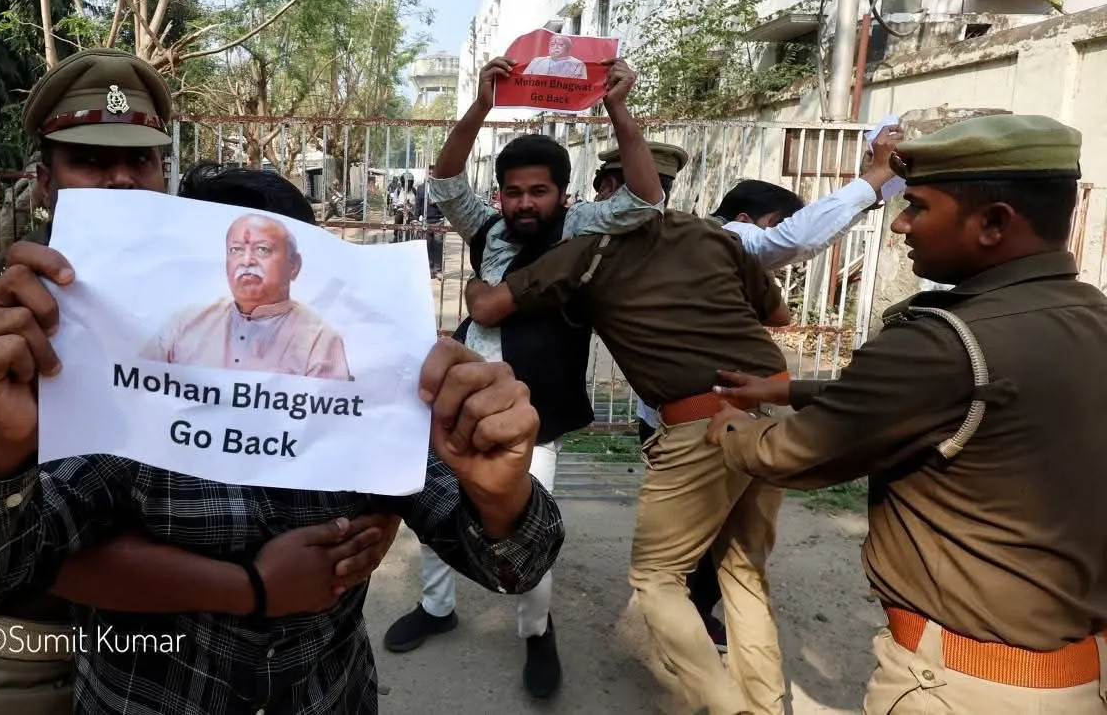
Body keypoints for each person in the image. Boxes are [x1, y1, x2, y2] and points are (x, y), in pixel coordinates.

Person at [0, 51, 402, 715]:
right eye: (92, 162)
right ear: (43, 182)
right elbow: (4, 550)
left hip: (148, 651)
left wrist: (370, 507)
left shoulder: (176, 311)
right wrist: (255, 585)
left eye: (140, 161)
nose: (122, 181)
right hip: (12, 648)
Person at [707, 114, 1107, 713]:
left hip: (964, 684)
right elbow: (925, 401)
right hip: (1077, 674)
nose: (899, 224)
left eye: (917, 207)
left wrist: (725, 425)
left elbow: (792, 454)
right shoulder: (1085, 313)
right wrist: (786, 390)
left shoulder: (943, 342)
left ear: (994, 222)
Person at [380, 55, 664, 700]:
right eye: (513, 191)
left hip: (529, 411)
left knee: (523, 519)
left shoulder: (583, 228)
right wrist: (480, 104)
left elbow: (646, 200)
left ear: (562, 193)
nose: (525, 203)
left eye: (538, 191)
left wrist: (618, 108)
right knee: (434, 504)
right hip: (457, 397)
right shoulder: (488, 230)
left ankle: (537, 631)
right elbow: (447, 179)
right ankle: (437, 605)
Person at [465, 177, 794, 715]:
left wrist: (477, 285)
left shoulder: (590, 251)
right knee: (742, 568)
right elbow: (777, 316)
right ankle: (763, 705)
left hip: (703, 427)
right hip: (774, 409)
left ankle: (724, 709)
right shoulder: (712, 236)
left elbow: (489, 308)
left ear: (609, 189)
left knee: (657, 578)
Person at [641, 133, 908, 649]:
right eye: (771, 225)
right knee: (710, 542)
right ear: (745, 221)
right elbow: (793, 244)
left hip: (692, 413)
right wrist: (873, 180)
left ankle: (690, 616)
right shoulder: (720, 241)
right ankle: (686, 627)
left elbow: (776, 306)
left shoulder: (694, 251)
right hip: (707, 418)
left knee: (715, 535)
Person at [142, 213, 351, 379]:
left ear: (294, 265)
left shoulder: (319, 340)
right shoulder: (185, 323)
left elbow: (325, 426)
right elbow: (134, 387)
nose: (247, 260)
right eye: (236, 249)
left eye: (262, 249)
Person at [523, 34, 589, 79]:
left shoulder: (578, 64)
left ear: (568, 48)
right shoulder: (537, 61)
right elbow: (523, 80)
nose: (555, 47)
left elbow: (581, 87)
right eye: (552, 44)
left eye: (560, 45)